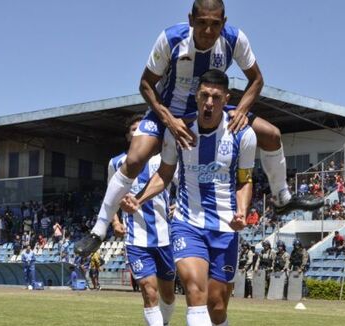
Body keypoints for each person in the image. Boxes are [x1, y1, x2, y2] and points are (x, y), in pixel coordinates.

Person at [75, 0, 323, 257]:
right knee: (135, 158)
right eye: (202, 23)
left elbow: (257, 80)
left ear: (223, 23)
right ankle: (98, 230)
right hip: (167, 112)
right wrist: (169, 120)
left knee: (272, 134)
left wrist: (240, 110)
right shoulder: (171, 39)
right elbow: (146, 85)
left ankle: (282, 198)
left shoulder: (235, 40)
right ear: (191, 19)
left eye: (215, 24)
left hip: (209, 106)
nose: (208, 30)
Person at [121, 70, 254, 326]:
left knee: (217, 305)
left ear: (226, 101)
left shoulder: (242, 135)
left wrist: (241, 211)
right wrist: (138, 198)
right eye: (204, 95)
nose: (209, 102)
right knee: (194, 288)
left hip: (225, 229)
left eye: (216, 97)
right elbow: (165, 174)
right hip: (187, 223)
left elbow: (245, 179)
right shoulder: (178, 131)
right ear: (196, 96)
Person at [110, 114, 177, 326]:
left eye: (143, 129)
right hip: (136, 239)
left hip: (165, 238)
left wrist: (177, 207)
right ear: (129, 137)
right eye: (134, 130)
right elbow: (111, 195)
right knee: (149, 292)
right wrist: (115, 221)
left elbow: (185, 189)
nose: (139, 133)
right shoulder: (116, 163)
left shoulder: (164, 161)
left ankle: (165, 325)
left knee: (168, 295)